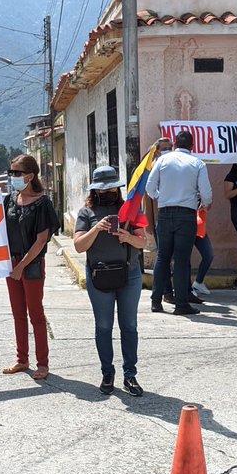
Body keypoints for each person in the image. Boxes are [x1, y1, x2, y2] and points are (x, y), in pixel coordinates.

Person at [73, 166, 148, 396]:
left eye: (112, 189)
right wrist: (96, 228)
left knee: (129, 325)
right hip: (99, 275)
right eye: (103, 190)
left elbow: (144, 242)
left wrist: (128, 237)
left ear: (118, 188)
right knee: (104, 326)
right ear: (95, 191)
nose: (108, 193)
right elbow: (78, 246)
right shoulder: (86, 213)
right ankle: (107, 372)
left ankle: (130, 375)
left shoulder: (130, 210)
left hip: (130, 274)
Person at [2, 154, 58, 380]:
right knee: (18, 314)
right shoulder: (9, 200)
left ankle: (42, 364)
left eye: (17, 173)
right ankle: (22, 359)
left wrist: (21, 266)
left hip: (32, 265)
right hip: (11, 263)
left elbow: (41, 240)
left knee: (36, 314)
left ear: (30, 175)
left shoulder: (42, 203)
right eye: (11, 172)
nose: (13, 177)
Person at [145, 130, 211, 316]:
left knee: (163, 258)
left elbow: (150, 188)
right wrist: (206, 204)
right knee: (182, 260)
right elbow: (206, 193)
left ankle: (156, 301)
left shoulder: (162, 161)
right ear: (192, 146)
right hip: (186, 215)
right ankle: (181, 304)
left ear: (175, 145)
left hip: (165, 213)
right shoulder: (198, 163)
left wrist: (162, 198)